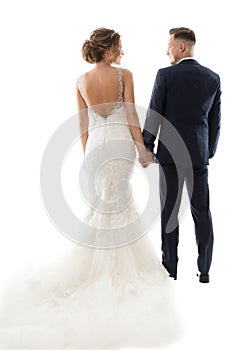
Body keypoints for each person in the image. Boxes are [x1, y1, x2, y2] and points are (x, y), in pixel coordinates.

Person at [0, 28, 180, 349]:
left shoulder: (81, 81)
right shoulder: (125, 74)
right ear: (108, 49)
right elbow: (129, 116)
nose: (122, 53)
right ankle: (117, 269)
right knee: (120, 204)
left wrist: (88, 158)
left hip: (96, 148)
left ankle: (96, 264)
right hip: (121, 145)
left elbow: (82, 126)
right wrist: (142, 149)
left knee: (103, 205)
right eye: (119, 48)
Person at [142, 27, 221, 283]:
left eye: (169, 45)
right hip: (198, 155)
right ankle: (205, 269)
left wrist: (147, 146)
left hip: (169, 155)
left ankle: (170, 269)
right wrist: (207, 151)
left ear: (182, 47)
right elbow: (215, 121)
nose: (167, 50)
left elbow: (155, 114)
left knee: (169, 212)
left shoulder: (166, 76)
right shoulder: (213, 78)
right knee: (202, 211)